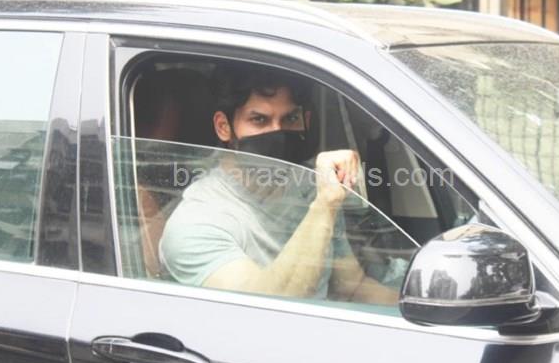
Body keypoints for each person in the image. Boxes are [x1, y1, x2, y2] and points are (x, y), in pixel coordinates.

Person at [159, 66, 397, 304]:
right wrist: (325, 204)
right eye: (259, 120)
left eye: (290, 119)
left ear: (305, 121)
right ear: (224, 126)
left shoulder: (307, 186)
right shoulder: (196, 223)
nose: (277, 133)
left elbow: (352, 287)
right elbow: (273, 309)